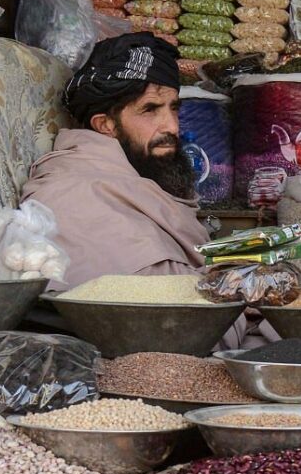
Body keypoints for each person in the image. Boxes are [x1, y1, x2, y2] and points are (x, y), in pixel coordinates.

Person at [23, 32, 212, 286]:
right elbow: (164, 297)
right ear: (105, 125)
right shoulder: (75, 194)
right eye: (150, 109)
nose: (172, 127)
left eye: (174, 108)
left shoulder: (134, 181)